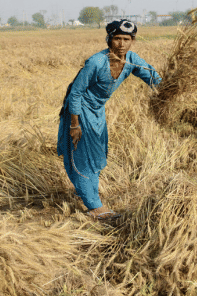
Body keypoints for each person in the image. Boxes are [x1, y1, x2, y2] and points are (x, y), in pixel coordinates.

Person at [57, 19, 161, 220]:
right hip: (80, 111)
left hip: (97, 111)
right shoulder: (96, 62)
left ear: (132, 41)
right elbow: (75, 94)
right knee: (82, 156)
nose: (121, 44)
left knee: (96, 154)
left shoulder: (131, 60)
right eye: (117, 38)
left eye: (126, 39)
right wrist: (74, 124)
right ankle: (94, 206)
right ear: (109, 39)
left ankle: (90, 195)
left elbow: (153, 77)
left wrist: (171, 87)